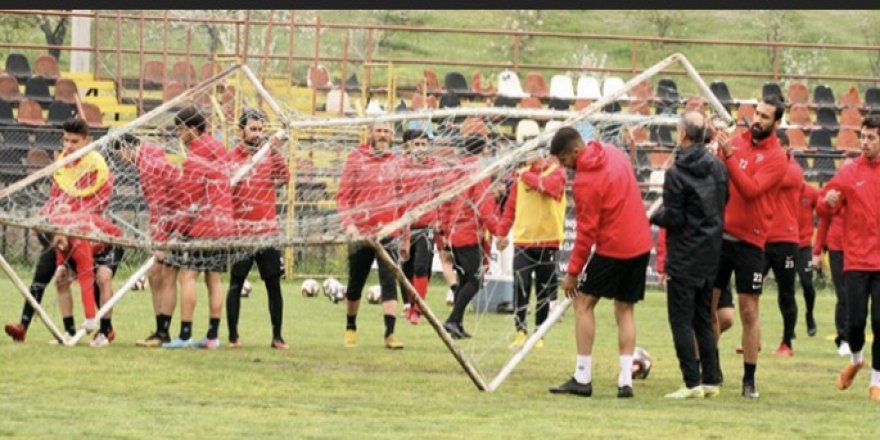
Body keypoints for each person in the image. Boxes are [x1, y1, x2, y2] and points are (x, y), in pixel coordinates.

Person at [547, 127, 652, 399]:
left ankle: (582, 377)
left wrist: (572, 272)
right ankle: (625, 380)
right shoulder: (614, 152)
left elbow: (585, 234)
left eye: (563, 159)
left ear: (576, 151)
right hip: (640, 243)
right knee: (625, 308)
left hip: (614, 247)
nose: (563, 166)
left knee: (582, 302)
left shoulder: (585, 183)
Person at [5, 118, 113, 343]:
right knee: (44, 276)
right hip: (62, 233)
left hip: (86, 235)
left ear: (87, 141)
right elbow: (54, 198)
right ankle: (26, 326)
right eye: (66, 140)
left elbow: (99, 204)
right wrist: (44, 215)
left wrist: (71, 212)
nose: (69, 146)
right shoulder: (63, 165)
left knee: (92, 280)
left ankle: (106, 327)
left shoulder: (98, 167)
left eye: (75, 141)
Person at [712, 96, 788, 399]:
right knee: (709, 305)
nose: (758, 120)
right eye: (757, 113)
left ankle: (749, 380)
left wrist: (728, 156)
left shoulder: (777, 157)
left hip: (751, 242)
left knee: (748, 310)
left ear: (777, 123)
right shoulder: (736, 142)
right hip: (720, 236)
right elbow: (718, 179)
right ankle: (711, 369)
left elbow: (751, 189)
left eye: (766, 117)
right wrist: (715, 150)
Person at [650, 110, 728, 399]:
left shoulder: (677, 172)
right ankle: (710, 380)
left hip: (685, 255)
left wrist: (655, 216)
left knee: (681, 319)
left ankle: (691, 381)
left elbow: (676, 217)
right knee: (703, 318)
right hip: (711, 253)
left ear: (683, 134)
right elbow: (723, 203)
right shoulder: (719, 168)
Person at [162, 107, 234, 350]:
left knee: (188, 275)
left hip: (204, 225)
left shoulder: (195, 156)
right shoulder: (220, 149)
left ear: (192, 129)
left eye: (181, 129)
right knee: (214, 278)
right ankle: (212, 337)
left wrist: (179, 230)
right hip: (224, 223)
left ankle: (185, 335)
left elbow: (189, 199)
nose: (179, 134)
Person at [820, 115, 880, 400]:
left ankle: (877, 382)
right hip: (856, 260)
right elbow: (824, 202)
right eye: (863, 137)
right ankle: (856, 361)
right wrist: (829, 201)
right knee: (854, 322)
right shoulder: (849, 172)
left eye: (871, 138)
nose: (865, 143)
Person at [336, 122, 409, 350]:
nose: (383, 135)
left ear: (392, 135)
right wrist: (349, 225)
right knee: (356, 283)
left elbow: (403, 199)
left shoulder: (397, 162)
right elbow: (343, 197)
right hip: (361, 234)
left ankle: (390, 334)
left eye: (387, 131)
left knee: (390, 282)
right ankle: (350, 327)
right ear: (370, 132)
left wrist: (404, 234)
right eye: (379, 130)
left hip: (389, 233)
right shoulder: (356, 158)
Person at [225, 109, 290, 349]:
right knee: (236, 282)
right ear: (241, 131)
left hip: (268, 232)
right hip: (242, 233)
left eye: (261, 129)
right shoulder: (232, 158)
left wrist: (275, 152)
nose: (258, 134)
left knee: (273, 284)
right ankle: (233, 336)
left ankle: (277, 336)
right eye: (253, 129)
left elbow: (285, 177)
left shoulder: (269, 155)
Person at [113, 133, 183, 348]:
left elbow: (159, 205)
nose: (123, 160)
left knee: (166, 274)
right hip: (173, 223)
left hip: (177, 224)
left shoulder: (149, 165)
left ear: (128, 147)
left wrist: (161, 241)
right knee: (155, 275)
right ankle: (161, 329)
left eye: (121, 154)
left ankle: (164, 332)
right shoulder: (150, 158)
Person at [495, 150, 567, 348]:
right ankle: (520, 331)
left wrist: (525, 175)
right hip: (523, 241)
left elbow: (549, 188)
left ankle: (539, 334)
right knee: (520, 285)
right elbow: (511, 208)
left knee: (544, 290)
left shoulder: (557, 173)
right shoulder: (520, 176)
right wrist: (501, 233)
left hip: (548, 241)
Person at [438, 136, 501, 340]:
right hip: (468, 233)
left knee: (465, 278)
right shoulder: (478, 172)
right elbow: (484, 207)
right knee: (476, 280)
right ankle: (452, 319)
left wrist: (446, 232)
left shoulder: (454, 172)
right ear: (483, 150)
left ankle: (457, 324)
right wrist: (498, 229)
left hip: (455, 233)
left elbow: (445, 203)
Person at [49, 212, 123, 347]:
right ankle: (69, 330)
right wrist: (60, 265)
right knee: (61, 279)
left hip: (110, 244)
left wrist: (90, 318)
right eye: (55, 243)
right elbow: (61, 249)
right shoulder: (55, 228)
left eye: (60, 241)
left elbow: (86, 281)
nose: (59, 246)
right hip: (90, 248)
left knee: (102, 277)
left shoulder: (78, 240)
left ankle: (105, 331)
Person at [762, 128, 805, 357]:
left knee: (786, 293)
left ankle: (787, 342)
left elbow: (768, 179)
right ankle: (752, 338)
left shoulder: (794, 171)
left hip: (786, 241)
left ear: (786, 147)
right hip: (762, 239)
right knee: (750, 291)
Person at [398, 129, 443, 325]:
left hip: (426, 225)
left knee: (421, 266)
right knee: (404, 268)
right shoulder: (402, 169)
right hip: (404, 225)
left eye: (424, 144)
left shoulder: (434, 169)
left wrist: (439, 219)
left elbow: (439, 196)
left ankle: (417, 309)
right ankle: (408, 304)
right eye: (417, 144)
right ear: (408, 147)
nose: (421, 148)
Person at [814, 194, 849, 356]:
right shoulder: (836, 195)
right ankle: (843, 338)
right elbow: (823, 222)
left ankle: (854, 335)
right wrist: (817, 252)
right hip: (837, 249)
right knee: (843, 294)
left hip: (862, 248)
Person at [797, 175, 820, 338]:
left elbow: (823, 212)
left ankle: (809, 313)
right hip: (785, 243)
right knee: (785, 289)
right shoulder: (782, 189)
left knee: (807, 283)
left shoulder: (811, 192)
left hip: (804, 246)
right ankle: (788, 328)